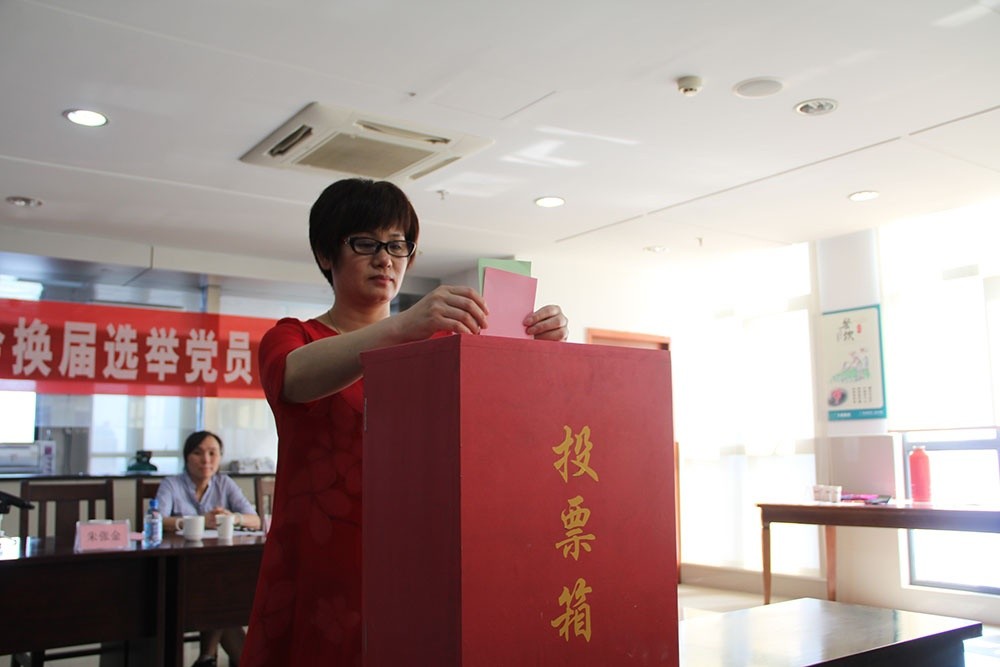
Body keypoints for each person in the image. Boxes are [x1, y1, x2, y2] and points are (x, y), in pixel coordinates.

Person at [241, 178, 568, 666]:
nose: (385, 259)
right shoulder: (295, 336)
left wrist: (541, 353)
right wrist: (402, 326)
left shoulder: (438, 348)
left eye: (398, 245)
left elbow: (504, 429)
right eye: (366, 243)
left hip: (420, 559)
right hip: (324, 563)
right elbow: (294, 378)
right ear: (326, 254)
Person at [157, 430, 261, 667]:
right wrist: (200, 521)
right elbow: (157, 520)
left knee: (221, 588)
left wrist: (233, 518)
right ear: (187, 457)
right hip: (180, 573)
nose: (206, 460)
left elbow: (254, 519)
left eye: (213, 453)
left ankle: (206, 657)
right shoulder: (171, 484)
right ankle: (209, 656)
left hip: (216, 566)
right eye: (198, 453)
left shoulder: (224, 483)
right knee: (220, 593)